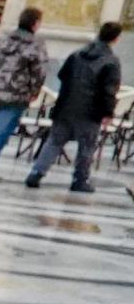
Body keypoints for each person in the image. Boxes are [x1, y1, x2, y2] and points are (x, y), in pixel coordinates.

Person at [25, 20, 124, 193]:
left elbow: (62, 75)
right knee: (86, 146)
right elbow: (109, 90)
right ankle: (80, 179)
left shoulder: (77, 54)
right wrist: (108, 112)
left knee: (54, 142)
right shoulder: (110, 61)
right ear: (116, 39)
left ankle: (36, 173)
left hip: (66, 105)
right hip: (90, 111)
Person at [0, 6, 51, 179]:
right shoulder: (35, 44)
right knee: (1, 131)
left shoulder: (3, 38)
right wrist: (34, 91)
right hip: (16, 93)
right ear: (35, 23)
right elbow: (40, 71)